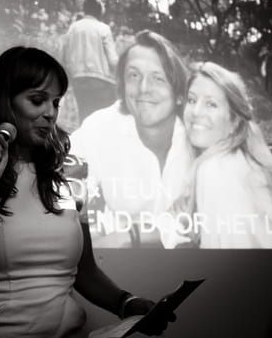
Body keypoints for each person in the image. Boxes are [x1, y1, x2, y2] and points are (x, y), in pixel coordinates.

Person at [0, 46, 175, 337]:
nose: (50, 113)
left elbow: (85, 271)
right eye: (37, 100)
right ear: (4, 101)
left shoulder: (69, 173)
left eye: (56, 102)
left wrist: (128, 304)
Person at [69, 30, 195, 248]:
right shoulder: (101, 127)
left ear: (179, 93)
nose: (144, 88)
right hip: (120, 264)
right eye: (134, 76)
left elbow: (206, 218)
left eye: (158, 78)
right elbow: (60, 185)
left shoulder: (197, 132)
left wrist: (130, 237)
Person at [172, 61, 272, 249]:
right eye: (191, 100)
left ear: (234, 122)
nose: (196, 112)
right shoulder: (245, 161)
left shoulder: (215, 170)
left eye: (211, 104)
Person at [62, 0, 119, 122]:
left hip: (79, 82)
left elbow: (64, 57)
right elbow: (113, 61)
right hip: (101, 83)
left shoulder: (73, 28)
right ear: (99, 10)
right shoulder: (103, 28)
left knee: (85, 120)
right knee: (104, 121)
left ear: (84, 9)